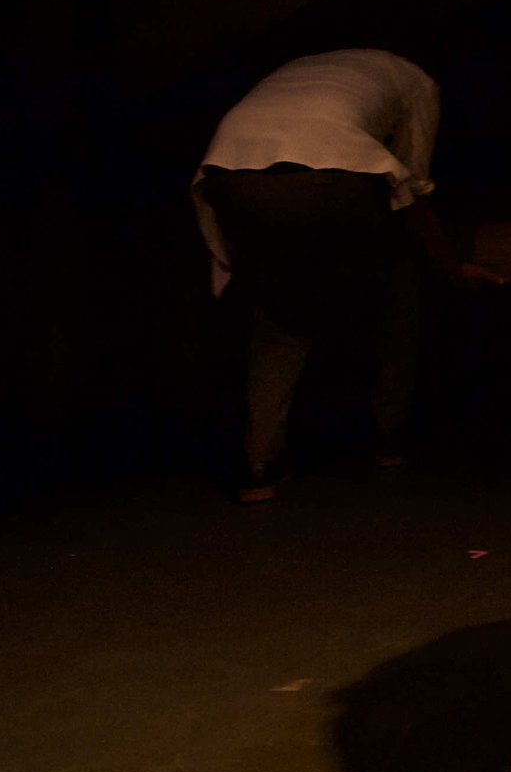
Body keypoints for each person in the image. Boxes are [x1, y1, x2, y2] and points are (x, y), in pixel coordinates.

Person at [194, 49, 488, 503]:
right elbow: (414, 186)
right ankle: (388, 436)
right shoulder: (416, 82)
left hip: (229, 177)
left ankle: (261, 464)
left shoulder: (303, 67)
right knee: (395, 284)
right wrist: (451, 268)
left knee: (282, 314)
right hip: (327, 177)